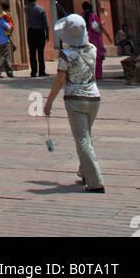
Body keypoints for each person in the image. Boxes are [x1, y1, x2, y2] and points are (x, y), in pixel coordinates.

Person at [43, 13, 104, 192]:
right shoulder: (92, 49)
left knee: (82, 139)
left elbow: (60, 81)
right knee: (86, 137)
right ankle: (84, 170)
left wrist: (49, 103)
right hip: (94, 98)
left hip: (75, 99)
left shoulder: (66, 54)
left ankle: (95, 181)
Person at [82, 1, 111, 80]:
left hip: (86, 40)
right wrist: (108, 36)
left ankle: (89, 74)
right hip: (96, 40)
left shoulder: (82, 16)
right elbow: (100, 27)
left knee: (88, 58)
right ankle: (98, 75)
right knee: (98, 58)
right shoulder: (94, 16)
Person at [25, 0, 50, 77]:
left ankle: (33, 71)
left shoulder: (26, 8)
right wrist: (47, 33)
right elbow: (45, 22)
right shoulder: (41, 9)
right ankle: (42, 71)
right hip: (40, 32)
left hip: (31, 31)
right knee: (40, 53)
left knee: (32, 52)